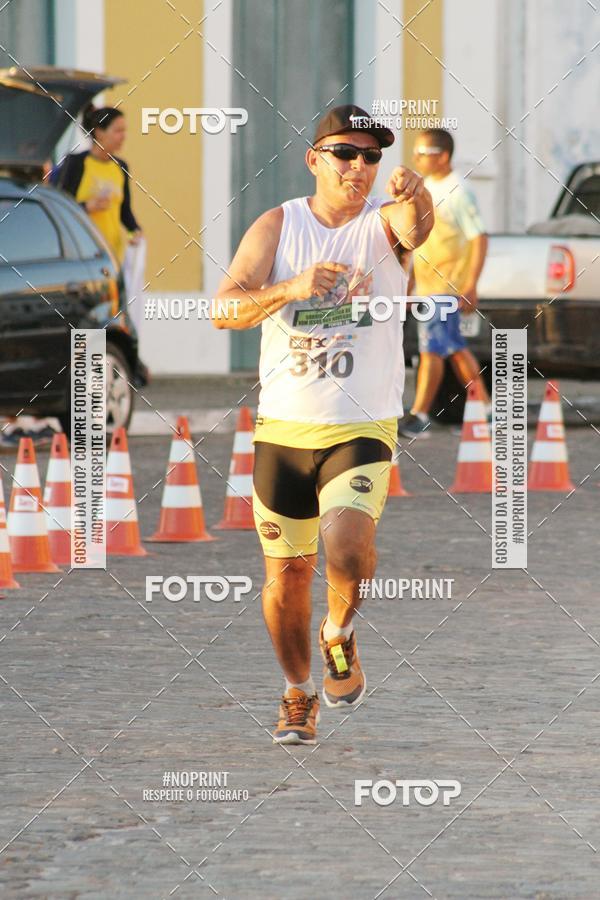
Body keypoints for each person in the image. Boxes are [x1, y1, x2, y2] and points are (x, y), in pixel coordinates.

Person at [213, 105, 433, 744]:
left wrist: (418, 196)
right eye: (345, 154)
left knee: (348, 549)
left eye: (371, 156)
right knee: (285, 577)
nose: (359, 167)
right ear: (315, 159)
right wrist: (293, 288)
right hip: (284, 427)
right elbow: (224, 310)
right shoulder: (279, 225)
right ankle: (296, 691)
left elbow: (416, 231)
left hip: (361, 425)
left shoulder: (383, 224)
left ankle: (339, 631)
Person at [398, 128, 490, 439]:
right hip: (427, 287)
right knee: (453, 348)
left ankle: (419, 414)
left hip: (446, 288)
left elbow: (478, 238)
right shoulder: (425, 190)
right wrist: (409, 284)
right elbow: (418, 245)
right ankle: (487, 409)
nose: (416, 158)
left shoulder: (459, 191)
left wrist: (471, 285)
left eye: (424, 153)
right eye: (416, 152)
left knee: (432, 351)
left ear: (444, 156)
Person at [55, 104, 143, 264]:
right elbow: (60, 207)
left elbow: (125, 212)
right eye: (118, 131)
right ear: (99, 132)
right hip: (82, 254)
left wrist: (134, 232)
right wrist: (87, 206)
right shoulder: (76, 163)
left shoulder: (121, 166)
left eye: (124, 131)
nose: (123, 136)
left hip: (113, 256)